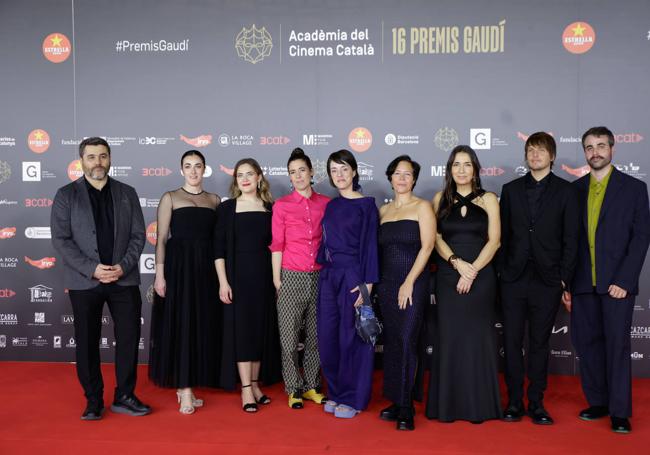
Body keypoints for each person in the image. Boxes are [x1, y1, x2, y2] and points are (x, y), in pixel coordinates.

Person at [51, 137, 151, 420]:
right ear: (81, 160)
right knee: (86, 341)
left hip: (124, 279)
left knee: (129, 338)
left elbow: (138, 235)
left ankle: (125, 396)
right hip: (86, 281)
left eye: (103, 156)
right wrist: (92, 268)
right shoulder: (66, 195)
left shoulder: (127, 192)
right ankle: (93, 400)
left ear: (110, 158)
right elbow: (62, 240)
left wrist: (123, 265)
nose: (98, 162)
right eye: (92, 156)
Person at [564, 126, 650, 434]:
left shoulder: (634, 188)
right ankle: (598, 402)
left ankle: (619, 412)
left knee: (616, 347)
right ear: (585, 152)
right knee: (587, 346)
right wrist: (568, 284)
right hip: (583, 283)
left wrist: (625, 280)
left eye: (601, 145)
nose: (595, 151)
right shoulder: (574, 190)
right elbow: (570, 242)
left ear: (612, 148)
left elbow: (640, 238)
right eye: (589, 147)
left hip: (617, 285)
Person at [498, 132, 579, 425]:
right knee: (511, 340)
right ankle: (515, 402)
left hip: (548, 281)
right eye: (531, 150)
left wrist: (562, 280)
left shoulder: (567, 192)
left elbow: (572, 240)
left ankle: (536, 403)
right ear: (526, 155)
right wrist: (502, 274)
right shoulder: (510, 190)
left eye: (541, 150)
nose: (535, 155)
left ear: (552, 156)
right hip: (513, 279)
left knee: (539, 344)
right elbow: (502, 238)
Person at [425, 145, 501, 423]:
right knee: (451, 338)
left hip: (481, 277)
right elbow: (435, 238)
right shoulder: (438, 199)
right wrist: (458, 264)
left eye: (467, 164)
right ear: (449, 169)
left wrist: (472, 272)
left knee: (478, 338)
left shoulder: (489, 199)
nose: (461, 170)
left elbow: (495, 241)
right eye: (456, 164)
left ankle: (479, 407)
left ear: (475, 169)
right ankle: (447, 406)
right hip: (448, 275)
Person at [149, 150, 221, 414]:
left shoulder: (215, 200)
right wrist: (160, 274)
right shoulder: (170, 197)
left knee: (200, 325)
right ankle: (185, 389)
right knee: (181, 324)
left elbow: (218, 241)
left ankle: (189, 384)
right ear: (181, 170)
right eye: (188, 166)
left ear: (205, 169)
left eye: (198, 166)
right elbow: (162, 240)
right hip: (179, 269)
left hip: (206, 272)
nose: (193, 171)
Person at [215, 158, 281, 413]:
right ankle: (245, 389)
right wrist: (223, 282)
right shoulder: (227, 208)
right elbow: (218, 249)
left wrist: (276, 281)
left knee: (258, 331)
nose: (244, 179)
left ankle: (254, 384)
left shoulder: (270, 208)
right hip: (237, 279)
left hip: (263, 278)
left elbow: (276, 247)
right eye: (239, 175)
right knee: (242, 332)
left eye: (249, 174)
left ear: (259, 177)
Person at [317, 149, 379, 419]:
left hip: (355, 276)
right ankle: (336, 393)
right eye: (334, 170)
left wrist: (367, 288)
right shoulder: (331, 206)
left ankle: (353, 398)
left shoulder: (366, 205)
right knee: (328, 337)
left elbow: (370, 249)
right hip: (330, 276)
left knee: (351, 338)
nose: (339, 175)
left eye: (344, 169)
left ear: (354, 171)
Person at [376, 155, 435, 431]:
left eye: (407, 174)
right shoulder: (383, 212)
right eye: (397, 173)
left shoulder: (422, 207)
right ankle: (397, 399)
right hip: (387, 284)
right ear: (390, 177)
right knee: (393, 342)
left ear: (414, 179)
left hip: (413, 282)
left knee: (407, 338)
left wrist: (410, 281)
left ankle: (407, 406)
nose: (402, 178)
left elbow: (427, 247)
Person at [270, 148, 329, 409]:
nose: (297, 176)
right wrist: (277, 279)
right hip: (290, 276)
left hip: (319, 275)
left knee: (316, 336)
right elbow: (277, 245)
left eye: (302, 170)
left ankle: (312, 386)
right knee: (289, 337)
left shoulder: (326, 204)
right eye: (292, 172)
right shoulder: (281, 206)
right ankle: (293, 388)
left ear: (311, 172)